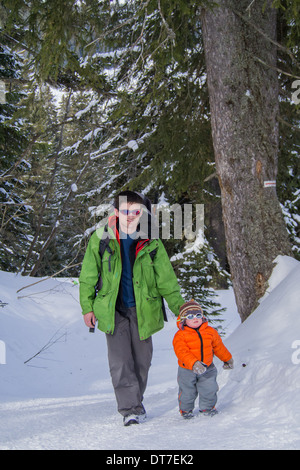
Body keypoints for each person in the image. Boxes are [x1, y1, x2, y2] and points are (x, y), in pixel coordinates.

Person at [79, 190, 185, 426]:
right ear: (116, 212)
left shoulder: (150, 239)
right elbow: (88, 275)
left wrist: (181, 308)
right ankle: (130, 409)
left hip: (143, 308)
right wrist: (88, 307)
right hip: (112, 309)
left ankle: (135, 400)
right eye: (126, 211)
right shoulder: (102, 237)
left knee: (142, 362)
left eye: (136, 212)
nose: (130, 216)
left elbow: (166, 279)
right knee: (120, 362)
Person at [172, 300, 234, 419]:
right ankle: (186, 410)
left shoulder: (210, 332)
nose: (195, 318)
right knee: (187, 392)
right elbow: (181, 352)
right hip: (187, 370)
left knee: (210, 388)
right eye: (190, 316)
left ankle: (207, 408)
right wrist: (194, 363)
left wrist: (227, 359)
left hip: (207, 367)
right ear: (184, 319)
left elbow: (218, 347)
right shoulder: (180, 335)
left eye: (198, 315)